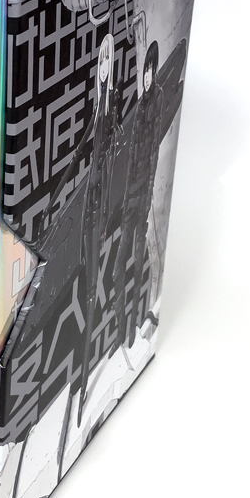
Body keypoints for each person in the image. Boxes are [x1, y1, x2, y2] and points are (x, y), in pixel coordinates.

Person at [41, 33, 123, 426]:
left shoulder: (114, 105)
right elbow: (78, 155)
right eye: (100, 60)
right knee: (81, 284)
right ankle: (79, 376)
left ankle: (85, 378)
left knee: (91, 291)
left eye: (108, 59)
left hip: (104, 208)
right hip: (90, 207)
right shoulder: (97, 108)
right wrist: (56, 196)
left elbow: (114, 148)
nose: (103, 66)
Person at [111, 39, 164, 353]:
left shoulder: (155, 100)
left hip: (142, 197)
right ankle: (122, 331)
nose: (146, 75)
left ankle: (131, 332)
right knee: (119, 267)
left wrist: (145, 197)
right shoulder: (142, 102)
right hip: (130, 198)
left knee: (135, 264)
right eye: (145, 70)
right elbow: (131, 157)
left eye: (150, 70)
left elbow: (152, 152)